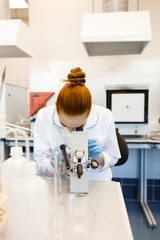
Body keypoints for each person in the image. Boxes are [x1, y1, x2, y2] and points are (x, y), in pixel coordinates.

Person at [34, 67, 121, 180]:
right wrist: (53, 162)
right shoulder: (44, 116)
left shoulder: (105, 116)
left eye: (79, 126)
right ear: (57, 107)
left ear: (89, 111)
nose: (72, 131)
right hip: (60, 184)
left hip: (96, 182)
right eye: (65, 125)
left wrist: (98, 156)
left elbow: (114, 158)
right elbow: (40, 166)